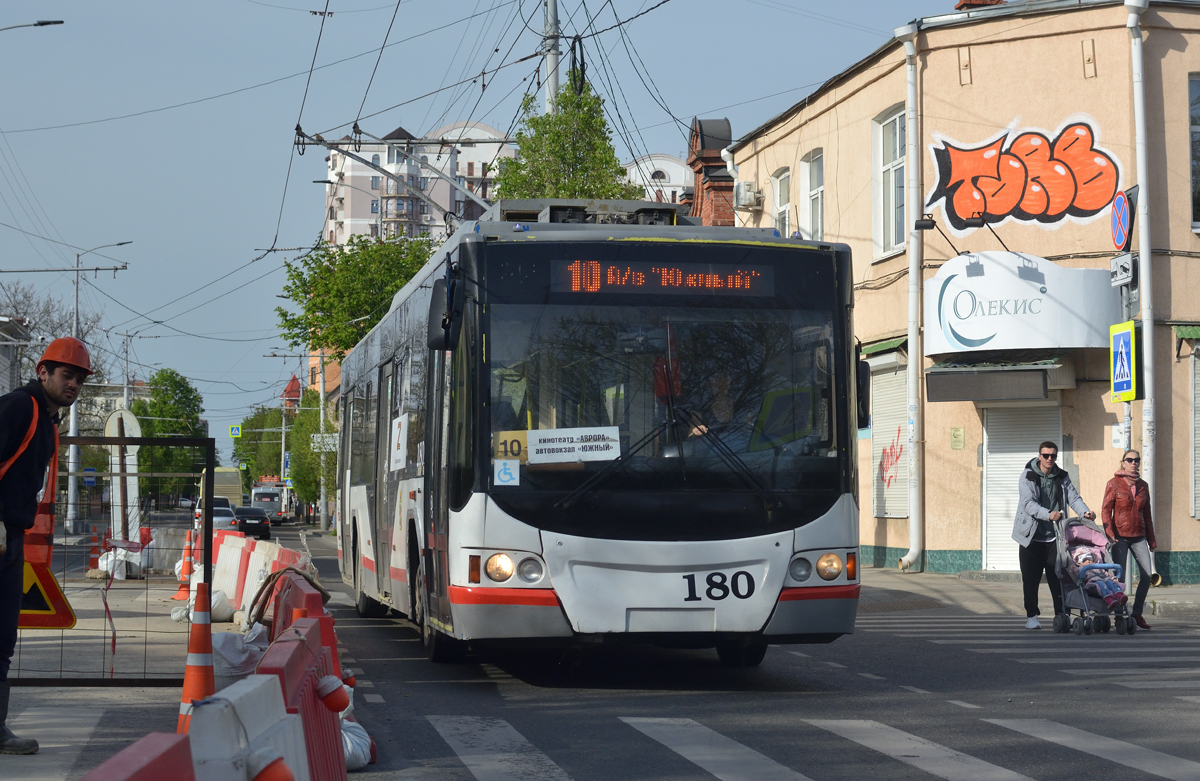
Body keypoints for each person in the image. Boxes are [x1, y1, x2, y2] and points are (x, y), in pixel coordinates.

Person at [0, 337, 92, 755]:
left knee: (2, 639)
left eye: (79, 380)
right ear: (43, 372)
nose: (74, 384)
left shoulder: (48, 421)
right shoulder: (18, 407)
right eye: (67, 375)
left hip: (11, 539)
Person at [1011, 441, 1095, 630]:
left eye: (1053, 456)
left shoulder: (1062, 476)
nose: (1049, 459)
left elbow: (1074, 498)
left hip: (1055, 538)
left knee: (1058, 578)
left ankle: (1062, 613)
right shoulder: (1028, 476)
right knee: (1030, 579)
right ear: (1039, 456)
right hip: (1030, 537)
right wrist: (1048, 514)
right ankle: (1032, 616)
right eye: (1046, 455)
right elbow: (1028, 504)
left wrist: (1085, 513)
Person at [1101, 449, 1156, 631]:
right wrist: (1109, 534)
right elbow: (1106, 510)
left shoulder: (1143, 486)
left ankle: (1137, 613)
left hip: (1139, 536)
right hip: (1120, 537)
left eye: (1136, 460)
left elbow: (1147, 515)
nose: (1133, 463)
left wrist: (1151, 539)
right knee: (1119, 577)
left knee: (1147, 575)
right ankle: (1119, 616)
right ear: (1123, 462)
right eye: (1130, 460)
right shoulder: (1114, 483)